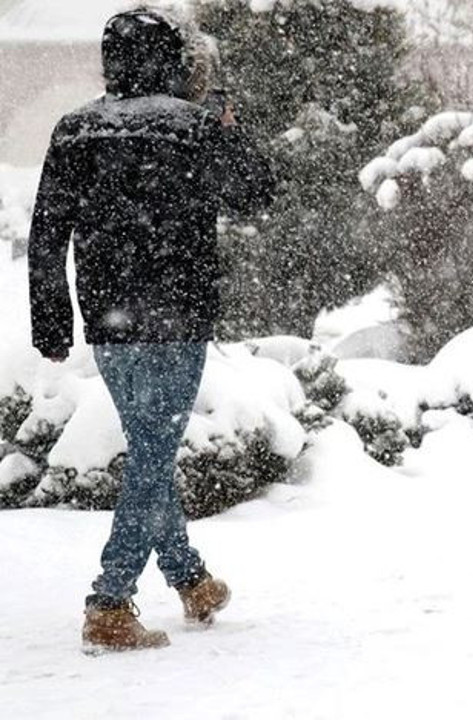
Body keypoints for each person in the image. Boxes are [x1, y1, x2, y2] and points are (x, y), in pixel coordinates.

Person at [27, 7, 275, 652]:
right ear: (171, 61)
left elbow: (48, 232)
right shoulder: (193, 127)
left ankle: (190, 579)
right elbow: (257, 193)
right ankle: (109, 601)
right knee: (153, 454)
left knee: (149, 448)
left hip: (109, 319)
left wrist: (51, 321)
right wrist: (230, 130)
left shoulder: (75, 130)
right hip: (177, 314)